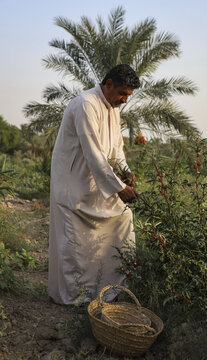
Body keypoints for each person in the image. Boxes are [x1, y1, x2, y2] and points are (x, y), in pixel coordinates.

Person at [48, 64, 140, 305]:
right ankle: (76, 299)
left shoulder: (113, 108)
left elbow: (116, 150)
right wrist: (119, 188)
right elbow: (94, 153)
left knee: (123, 219)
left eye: (129, 95)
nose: (125, 100)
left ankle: (110, 290)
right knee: (75, 245)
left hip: (97, 183)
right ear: (108, 84)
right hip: (72, 185)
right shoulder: (85, 103)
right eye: (123, 93)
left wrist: (126, 173)